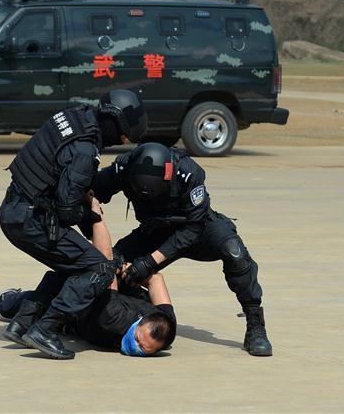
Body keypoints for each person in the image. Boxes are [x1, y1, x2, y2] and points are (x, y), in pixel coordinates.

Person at [0, 89, 146, 359]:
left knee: (77, 265)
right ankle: (46, 329)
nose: (119, 142)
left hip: (15, 211)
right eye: (123, 136)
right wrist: (92, 212)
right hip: (32, 220)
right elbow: (67, 210)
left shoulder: (75, 117)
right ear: (114, 123)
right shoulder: (85, 151)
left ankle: (21, 324)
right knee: (99, 269)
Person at [92, 142, 273, 356]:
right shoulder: (126, 165)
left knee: (235, 252)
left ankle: (255, 325)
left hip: (198, 229)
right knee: (111, 262)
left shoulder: (189, 173)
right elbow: (94, 190)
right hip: (156, 229)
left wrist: (149, 263)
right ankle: (108, 313)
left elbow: (192, 230)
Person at [0, 194, 176, 356]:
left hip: (76, 318)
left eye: (144, 350)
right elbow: (105, 263)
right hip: (83, 293)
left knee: (48, 308)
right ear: (139, 324)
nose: (136, 348)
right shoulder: (115, 317)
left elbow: (156, 281)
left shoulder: (165, 327)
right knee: (29, 303)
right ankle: (4, 300)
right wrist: (96, 213)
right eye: (138, 340)